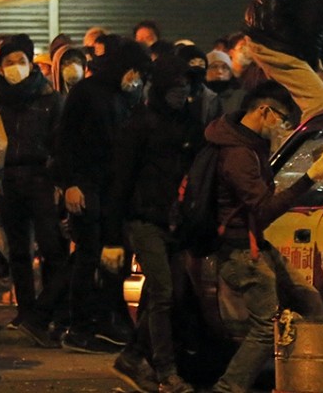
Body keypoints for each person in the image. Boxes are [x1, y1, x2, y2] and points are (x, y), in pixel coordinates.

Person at [205, 83, 323, 393]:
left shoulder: (249, 144)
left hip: (254, 243)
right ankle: (228, 388)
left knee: (307, 299)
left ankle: (301, 380)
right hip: (240, 250)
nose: (282, 126)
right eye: (281, 118)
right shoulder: (238, 154)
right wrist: (308, 178)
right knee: (266, 326)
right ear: (264, 111)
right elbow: (263, 209)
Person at [103, 55, 205, 393]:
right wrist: (112, 237)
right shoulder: (139, 125)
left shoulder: (189, 123)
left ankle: (133, 355)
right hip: (144, 220)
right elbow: (119, 181)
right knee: (162, 292)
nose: (183, 91)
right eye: (176, 85)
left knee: (170, 294)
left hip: (174, 222)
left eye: (187, 85)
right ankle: (165, 373)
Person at [53, 38, 151, 353]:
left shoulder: (124, 97)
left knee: (114, 258)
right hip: (86, 186)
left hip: (112, 191)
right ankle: (80, 327)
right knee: (88, 257)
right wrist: (69, 183)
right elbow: (64, 141)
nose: (135, 78)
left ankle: (109, 321)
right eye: (133, 71)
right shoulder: (87, 92)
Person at [0, 34, 69, 349]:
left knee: (52, 249)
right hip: (7, 180)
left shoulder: (49, 97)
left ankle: (47, 312)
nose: (15, 67)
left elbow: (60, 144)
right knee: (18, 252)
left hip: (41, 179)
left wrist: (59, 181)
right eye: (8, 62)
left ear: (32, 62)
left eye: (20, 60)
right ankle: (26, 314)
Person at [204, 50, 247, 116]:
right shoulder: (200, 96)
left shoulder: (240, 97)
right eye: (214, 67)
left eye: (225, 67)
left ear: (230, 73)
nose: (219, 71)